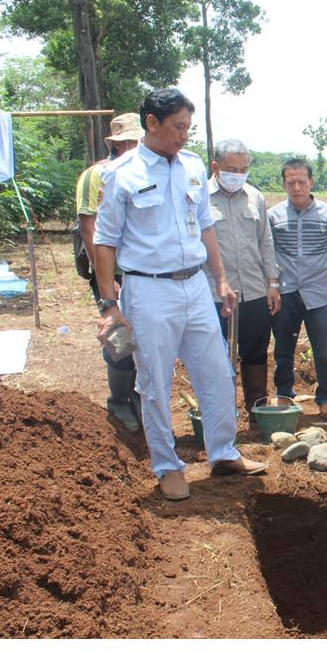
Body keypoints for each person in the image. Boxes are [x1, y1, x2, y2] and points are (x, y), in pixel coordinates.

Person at [94, 88, 267, 503]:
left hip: (195, 286)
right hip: (148, 289)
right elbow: (104, 241)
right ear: (151, 123)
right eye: (177, 127)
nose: (184, 136)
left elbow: (206, 226)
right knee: (155, 381)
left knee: (217, 373)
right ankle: (168, 467)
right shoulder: (122, 173)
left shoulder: (190, 167)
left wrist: (220, 279)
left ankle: (223, 452)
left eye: (188, 128)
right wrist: (110, 304)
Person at [75, 112, 143, 432]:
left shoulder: (145, 173)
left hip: (141, 270)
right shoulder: (96, 175)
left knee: (144, 336)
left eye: (136, 141)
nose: (131, 146)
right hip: (111, 272)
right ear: (115, 144)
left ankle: (138, 395)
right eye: (125, 142)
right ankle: (119, 399)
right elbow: (90, 229)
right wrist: (106, 283)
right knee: (119, 337)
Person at [204, 138, 281, 419]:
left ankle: (255, 410)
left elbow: (266, 242)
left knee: (256, 352)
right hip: (213, 294)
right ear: (215, 167)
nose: (237, 174)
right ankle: (219, 415)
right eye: (231, 169)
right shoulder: (200, 197)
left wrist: (273, 283)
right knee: (214, 356)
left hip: (253, 290)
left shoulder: (255, 197)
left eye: (243, 169)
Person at [268, 158, 327, 413]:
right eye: (291, 182)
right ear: (284, 184)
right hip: (286, 290)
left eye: (302, 181)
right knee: (283, 348)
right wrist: (272, 286)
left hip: (318, 291)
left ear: (311, 182)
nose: (297, 187)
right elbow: (268, 253)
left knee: (323, 349)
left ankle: (326, 399)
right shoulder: (274, 215)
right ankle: (283, 393)